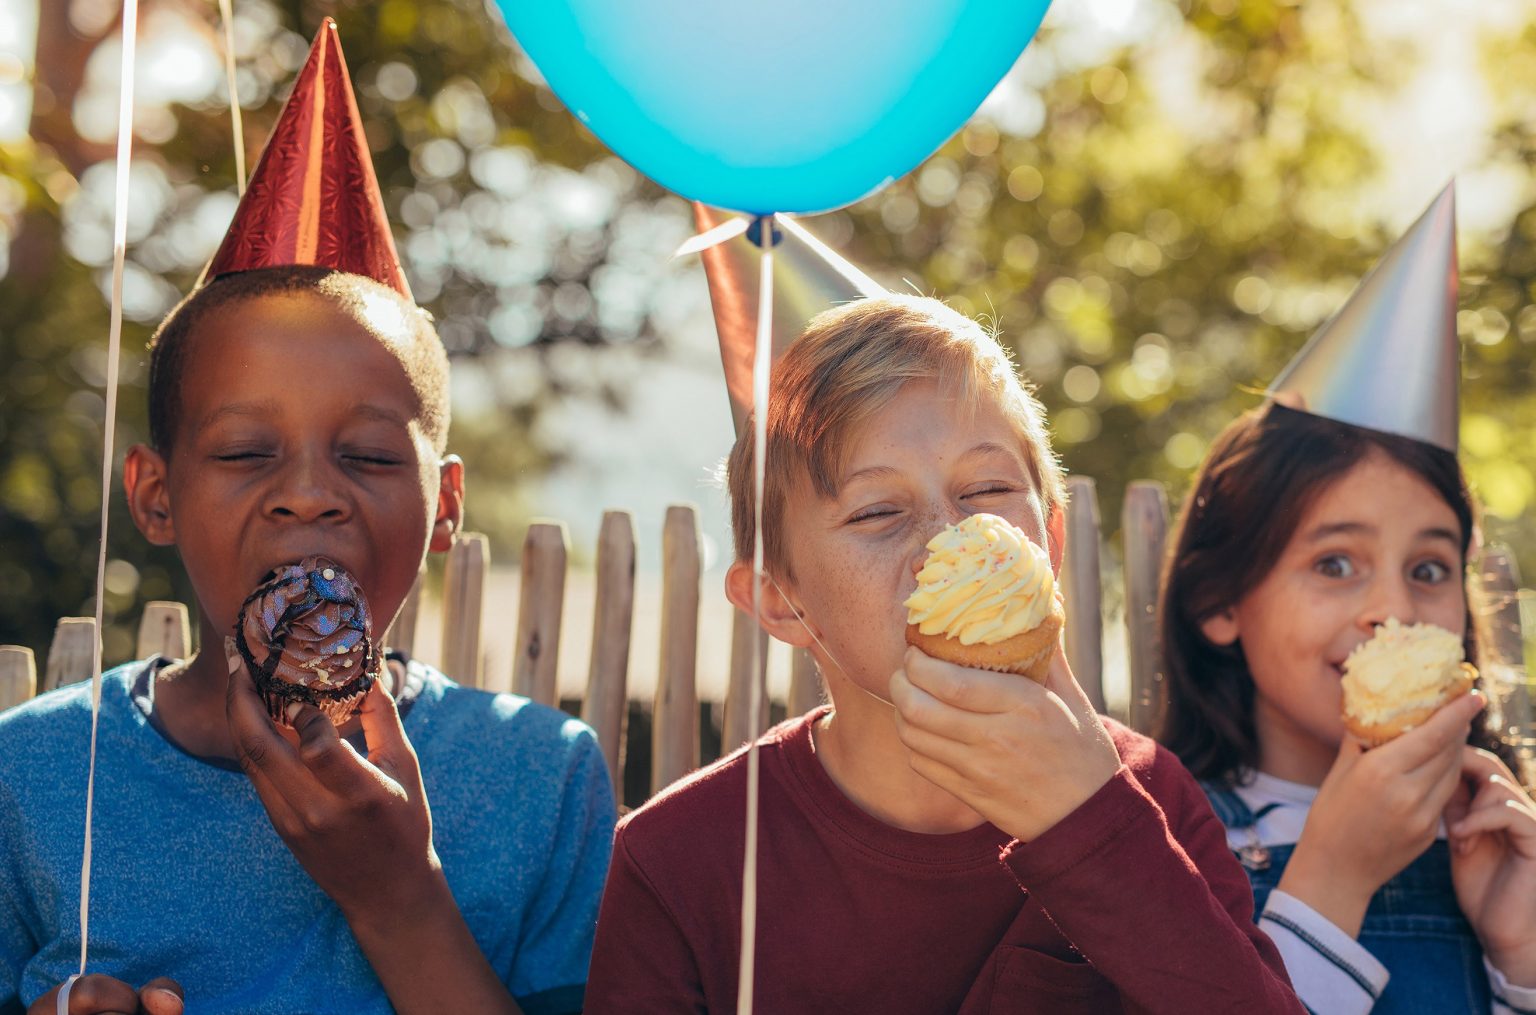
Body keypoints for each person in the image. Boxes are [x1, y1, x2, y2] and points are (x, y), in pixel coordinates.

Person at [0, 22, 613, 1015]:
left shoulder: (539, 777)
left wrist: (398, 898)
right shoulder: (32, 774)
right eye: (247, 453)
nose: (310, 493)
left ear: (445, 507)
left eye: (367, 455)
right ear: (155, 496)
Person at [586, 292, 1304, 1013]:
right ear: (781, 598)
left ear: (1050, 544)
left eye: (988, 489)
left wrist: (1087, 823)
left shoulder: (1148, 797)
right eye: (877, 511)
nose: (949, 538)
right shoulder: (680, 858)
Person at [1158, 186, 1536, 1014]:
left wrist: (1521, 960)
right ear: (1220, 599)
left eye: (1429, 569)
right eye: (1335, 563)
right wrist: (1334, 873)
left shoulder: (1503, 840)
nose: (1393, 607)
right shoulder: (1164, 842)